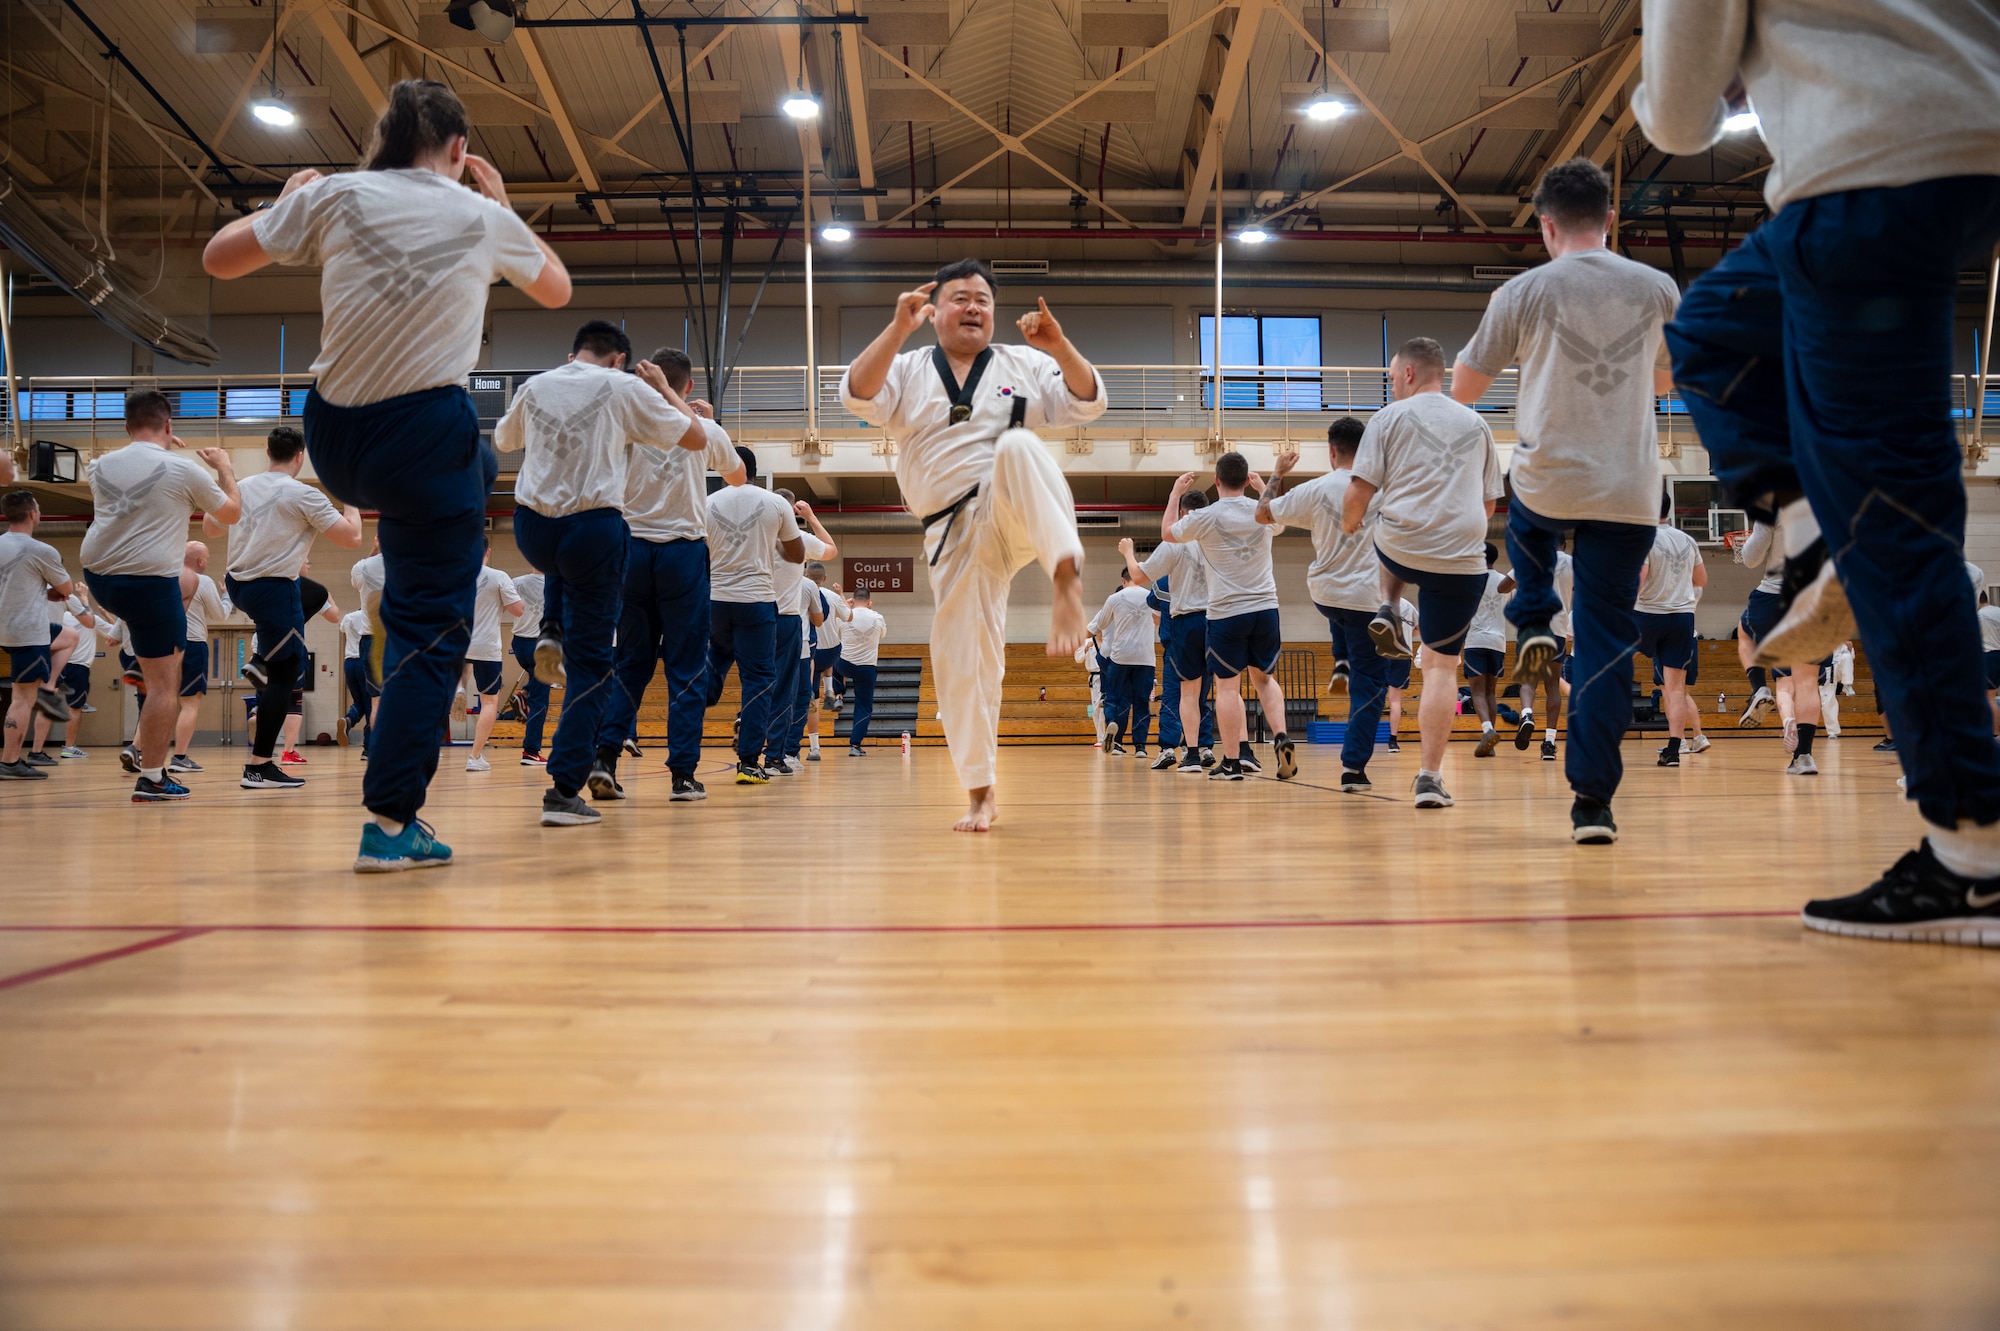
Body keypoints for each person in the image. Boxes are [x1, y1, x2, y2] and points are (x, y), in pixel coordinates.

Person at [1638, 0, 2000, 940]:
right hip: (1971, 145)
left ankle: (1972, 858)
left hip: (1865, 175)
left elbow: (1679, 117)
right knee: (1714, 333)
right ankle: (1806, 534)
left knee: (1892, 515)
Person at [204, 78, 572, 869]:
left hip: (333, 433)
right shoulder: (478, 213)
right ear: (460, 153)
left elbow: (218, 259)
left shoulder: (335, 194)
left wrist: (280, 203)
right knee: (430, 630)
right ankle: (393, 819)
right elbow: (555, 287)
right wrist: (503, 206)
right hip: (421, 437)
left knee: (471, 457)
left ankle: (446, 495)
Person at [1451, 158, 1680, 844]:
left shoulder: (1523, 291)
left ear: (1546, 226)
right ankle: (1592, 804)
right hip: (1630, 489)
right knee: (1608, 641)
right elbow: (1672, 381)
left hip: (1547, 481)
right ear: (1611, 220)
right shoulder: (1659, 287)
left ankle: (1534, 620)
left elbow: (1462, 389)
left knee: (1524, 526)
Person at [840, 258, 1103, 831]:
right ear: (934, 310)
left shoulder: (1023, 362)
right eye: (960, 298)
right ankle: (981, 793)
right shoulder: (907, 366)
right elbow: (858, 395)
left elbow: (1086, 402)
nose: (974, 308)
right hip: (951, 533)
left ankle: (1066, 574)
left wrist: (1059, 347)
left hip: (1011, 506)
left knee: (1018, 447)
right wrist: (896, 329)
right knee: (962, 660)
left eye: (983, 299)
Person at [494, 319, 704, 823]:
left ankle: (552, 628)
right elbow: (696, 438)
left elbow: (503, 441)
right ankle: (563, 792)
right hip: (594, 528)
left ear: (575, 352)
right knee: (592, 666)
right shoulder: (624, 385)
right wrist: (657, 389)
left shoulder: (536, 383)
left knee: (564, 570)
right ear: (618, 359)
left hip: (532, 527)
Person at [1344, 338, 1504, 810]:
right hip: (1461, 556)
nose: (1392, 384)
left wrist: (1351, 524)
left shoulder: (1388, 419)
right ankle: (1430, 778)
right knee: (1439, 667)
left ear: (1409, 374)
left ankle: (1389, 604)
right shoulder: (1478, 424)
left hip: (1402, 546)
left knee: (1377, 520)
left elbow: (1359, 488)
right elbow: (1490, 503)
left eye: (1393, 376)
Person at [597, 344, 746, 801]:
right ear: (690, 385)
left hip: (632, 553)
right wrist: (704, 418)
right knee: (685, 669)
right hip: (681, 555)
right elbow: (738, 477)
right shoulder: (705, 429)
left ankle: (604, 758)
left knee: (630, 665)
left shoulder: (626, 424)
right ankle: (682, 775)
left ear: (648, 381)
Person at [80, 393, 242, 801]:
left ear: (126, 427)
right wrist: (223, 467)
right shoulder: (183, 469)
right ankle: (152, 777)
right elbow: (231, 513)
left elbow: (142, 469)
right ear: (169, 426)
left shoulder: (97, 466)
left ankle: (128, 647)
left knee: (147, 655)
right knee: (164, 688)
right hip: (148, 584)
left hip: (98, 577)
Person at [203, 424, 365, 790]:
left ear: (267, 453)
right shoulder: (304, 495)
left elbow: (211, 530)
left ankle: (260, 660)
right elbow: (352, 537)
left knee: (315, 592)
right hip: (272, 590)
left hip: (239, 585)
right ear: (300, 456)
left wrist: (224, 477)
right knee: (286, 676)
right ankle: (259, 767)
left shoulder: (242, 487)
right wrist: (350, 497)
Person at [1259, 416, 1385, 791]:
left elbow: (1262, 513)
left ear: (1331, 451)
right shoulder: (1383, 488)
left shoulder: (1314, 489)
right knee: (1372, 685)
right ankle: (1353, 768)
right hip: (1366, 598)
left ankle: (1341, 660)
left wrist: (1277, 472)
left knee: (1340, 615)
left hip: (1325, 595)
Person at [1163, 453, 1297, 783]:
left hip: (1226, 612)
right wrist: (1267, 482)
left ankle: (1233, 763)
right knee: (1264, 680)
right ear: (1245, 479)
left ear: (1217, 481)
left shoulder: (1205, 516)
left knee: (1227, 688)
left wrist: (1174, 495)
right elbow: (1279, 517)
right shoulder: (1261, 511)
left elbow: (1168, 533)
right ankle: (1281, 736)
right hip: (1266, 608)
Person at [701, 445, 803, 785]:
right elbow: (796, 552)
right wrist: (774, 539)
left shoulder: (708, 503)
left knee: (716, 656)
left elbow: (699, 552)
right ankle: (748, 763)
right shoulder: (775, 503)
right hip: (757, 602)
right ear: (757, 472)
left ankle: (705, 691)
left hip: (716, 600)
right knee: (758, 680)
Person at [1132, 494, 1219, 773]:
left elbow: (1154, 612)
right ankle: (1206, 748)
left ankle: (1171, 748)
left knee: (1178, 696)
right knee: (1207, 694)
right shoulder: (1215, 546)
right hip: (1214, 624)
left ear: (1182, 513)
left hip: (1180, 637)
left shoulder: (1171, 559)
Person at [0, 490, 75, 781]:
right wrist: (53, 591)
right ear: (32, 513)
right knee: (21, 700)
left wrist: (41, 592)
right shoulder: (40, 550)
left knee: (69, 636)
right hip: (27, 633)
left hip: (8, 628)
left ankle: (49, 686)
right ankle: (9, 762)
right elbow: (67, 589)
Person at [1633, 489, 1708, 767]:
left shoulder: (1643, 539)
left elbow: (1637, 581)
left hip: (1648, 614)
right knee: (1676, 688)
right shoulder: (1687, 540)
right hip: (1682, 618)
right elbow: (1701, 578)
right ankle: (1674, 750)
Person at [764, 496, 836, 774]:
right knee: (794, 697)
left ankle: (752, 736)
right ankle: (783, 753)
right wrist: (812, 516)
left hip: (754, 619)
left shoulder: (758, 536)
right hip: (795, 637)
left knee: (762, 688)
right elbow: (831, 549)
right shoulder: (806, 579)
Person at [458, 543, 525, 774]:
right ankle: (475, 757)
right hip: (486, 646)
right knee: (489, 702)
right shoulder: (498, 577)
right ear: (488, 551)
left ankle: (458, 688)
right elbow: (517, 610)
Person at [1089, 565, 1160, 761]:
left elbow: (1097, 626)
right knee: (1141, 702)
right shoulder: (1150, 596)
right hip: (1145, 658)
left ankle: (1116, 738)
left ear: (1123, 580)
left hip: (1120, 657)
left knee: (1114, 698)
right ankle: (1140, 746)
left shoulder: (1115, 598)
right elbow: (1159, 621)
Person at [1461, 544, 1517, 759]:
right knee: (1491, 692)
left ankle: (1487, 731)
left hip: (1476, 640)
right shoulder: (1506, 581)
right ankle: (1490, 742)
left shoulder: (1471, 579)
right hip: (1498, 642)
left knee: (1476, 692)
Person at [1517, 550, 1571, 759]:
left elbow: (1503, 587)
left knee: (1528, 681)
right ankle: (1549, 743)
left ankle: (1527, 714)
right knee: (1552, 685)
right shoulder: (1572, 562)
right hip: (1557, 629)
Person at [802, 562, 850, 762]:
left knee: (810, 700)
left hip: (809, 652)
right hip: (831, 653)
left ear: (805, 575)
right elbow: (849, 617)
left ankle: (814, 748)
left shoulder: (800, 592)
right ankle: (829, 687)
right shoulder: (831, 595)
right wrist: (841, 596)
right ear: (825, 578)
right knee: (832, 646)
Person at [837, 587, 888, 754]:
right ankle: (855, 745)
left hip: (844, 664)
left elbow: (836, 635)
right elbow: (883, 635)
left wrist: (849, 609)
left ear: (853, 599)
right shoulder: (878, 617)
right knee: (864, 706)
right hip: (866, 667)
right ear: (869, 601)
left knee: (832, 659)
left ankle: (837, 694)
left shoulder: (845, 615)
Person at [338, 605, 375, 755]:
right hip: (364, 662)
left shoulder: (348, 617)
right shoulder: (371, 618)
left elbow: (341, 630)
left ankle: (349, 720)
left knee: (358, 701)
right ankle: (369, 748)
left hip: (349, 663)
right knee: (371, 705)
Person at [1383, 597, 1417, 754]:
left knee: (1373, 696)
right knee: (1395, 700)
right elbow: (1421, 628)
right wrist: (1407, 634)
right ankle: (1393, 741)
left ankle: (1365, 739)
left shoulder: (1377, 602)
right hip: (1403, 654)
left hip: (1382, 653)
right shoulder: (1408, 605)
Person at [1075, 632, 1107, 749]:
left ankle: (1105, 737)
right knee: (1095, 709)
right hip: (1095, 678)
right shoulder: (1087, 642)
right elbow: (1078, 658)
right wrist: (1085, 649)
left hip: (1108, 676)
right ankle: (1100, 737)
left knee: (1104, 707)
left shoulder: (1109, 641)